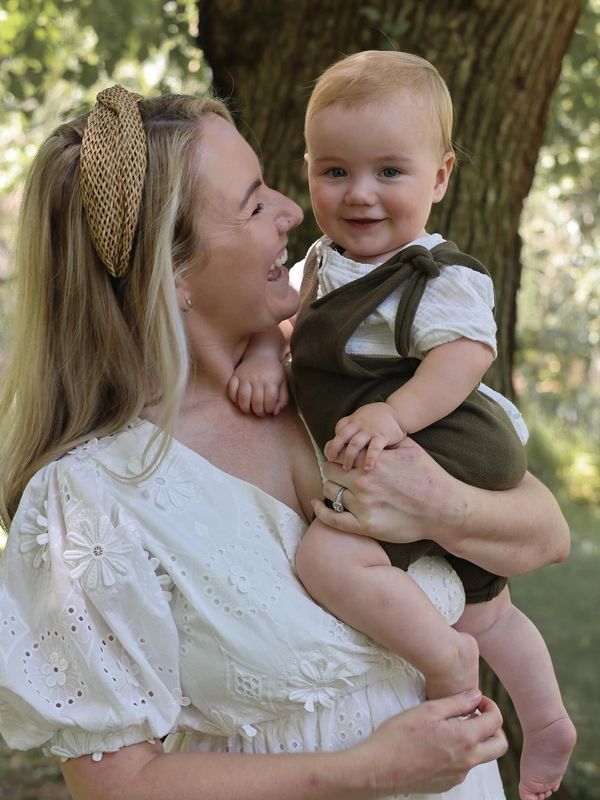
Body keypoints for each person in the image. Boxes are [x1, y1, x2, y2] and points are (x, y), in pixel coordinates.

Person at [0, 85, 570, 800]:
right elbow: (117, 788)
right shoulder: (89, 499)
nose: (294, 211)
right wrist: (368, 770)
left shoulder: (345, 382)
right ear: (171, 274)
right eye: (253, 201)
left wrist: (436, 508)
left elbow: (547, 536)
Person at [229, 52, 576, 800]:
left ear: (441, 177)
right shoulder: (323, 260)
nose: (360, 195)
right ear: (310, 169)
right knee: (487, 604)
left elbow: (465, 357)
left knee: (328, 558)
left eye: (391, 172)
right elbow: (285, 322)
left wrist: (395, 413)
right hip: (409, 441)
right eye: (335, 172)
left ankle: (445, 663)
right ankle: (546, 719)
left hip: (446, 436)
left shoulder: (437, 273)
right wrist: (262, 353)